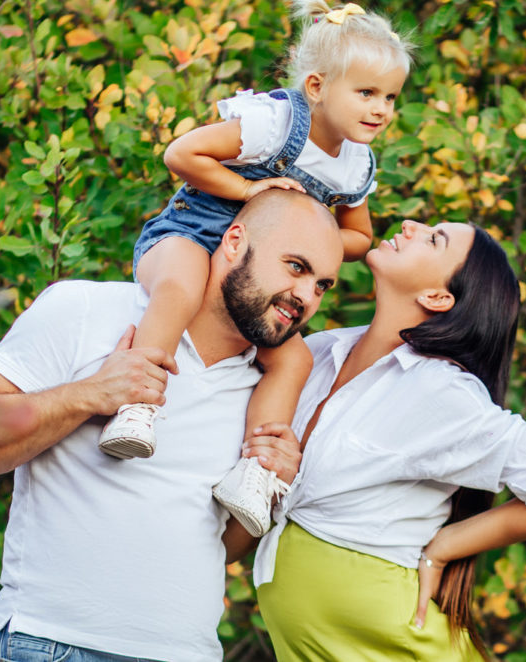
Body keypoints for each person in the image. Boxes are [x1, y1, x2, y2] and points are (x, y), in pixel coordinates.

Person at [0, 190, 343, 662]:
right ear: (234, 242)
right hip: (54, 643)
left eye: (322, 285)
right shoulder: (85, 309)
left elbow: (221, 547)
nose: (306, 297)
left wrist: (273, 489)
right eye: (296, 266)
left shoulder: (272, 389)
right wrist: (90, 393)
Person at [98, 0, 413, 538]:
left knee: (291, 361)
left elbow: (359, 235)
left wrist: (304, 236)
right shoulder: (276, 123)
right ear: (316, 87)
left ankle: (256, 468)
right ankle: (138, 404)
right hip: (192, 234)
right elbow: (183, 155)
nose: (381, 108)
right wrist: (250, 189)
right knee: (180, 286)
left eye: (389, 97)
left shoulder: (355, 162)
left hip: (257, 272)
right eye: (366, 93)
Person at [250, 220, 526, 660]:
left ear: (437, 297)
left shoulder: (441, 392)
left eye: (435, 239)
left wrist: (444, 548)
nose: (410, 225)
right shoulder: (318, 352)